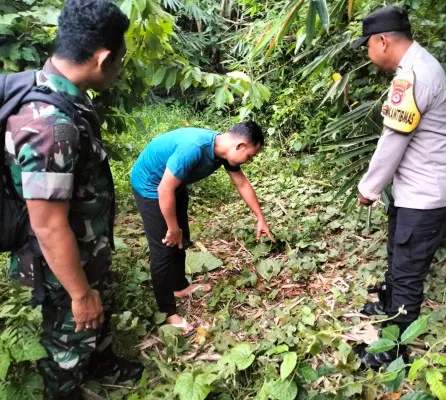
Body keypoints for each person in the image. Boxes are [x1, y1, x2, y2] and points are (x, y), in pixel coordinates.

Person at [4, 1, 143, 398]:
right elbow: (47, 226)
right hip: (59, 263)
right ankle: (65, 387)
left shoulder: (68, 96)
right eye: (120, 58)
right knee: (69, 332)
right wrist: (80, 294)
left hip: (86, 245)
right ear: (103, 58)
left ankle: (100, 360)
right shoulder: (50, 125)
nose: (120, 67)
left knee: (98, 312)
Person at [351, 6, 446, 368]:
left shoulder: (412, 75)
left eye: (368, 44)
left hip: (426, 194)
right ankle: (387, 302)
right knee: (398, 252)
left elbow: (393, 141)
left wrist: (369, 187)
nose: (368, 53)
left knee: (408, 269)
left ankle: (394, 348)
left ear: (383, 40)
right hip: (416, 189)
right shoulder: (420, 65)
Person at [130, 122, 274, 335]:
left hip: (173, 185)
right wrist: (171, 227)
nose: (249, 161)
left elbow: (242, 184)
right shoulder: (193, 148)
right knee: (164, 248)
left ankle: (179, 287)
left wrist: (260, 218)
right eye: (250, 156)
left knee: (181, 238)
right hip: (152, 186)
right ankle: (167, 312)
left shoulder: (224, 153)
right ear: (240, 145)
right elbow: (164, 189)